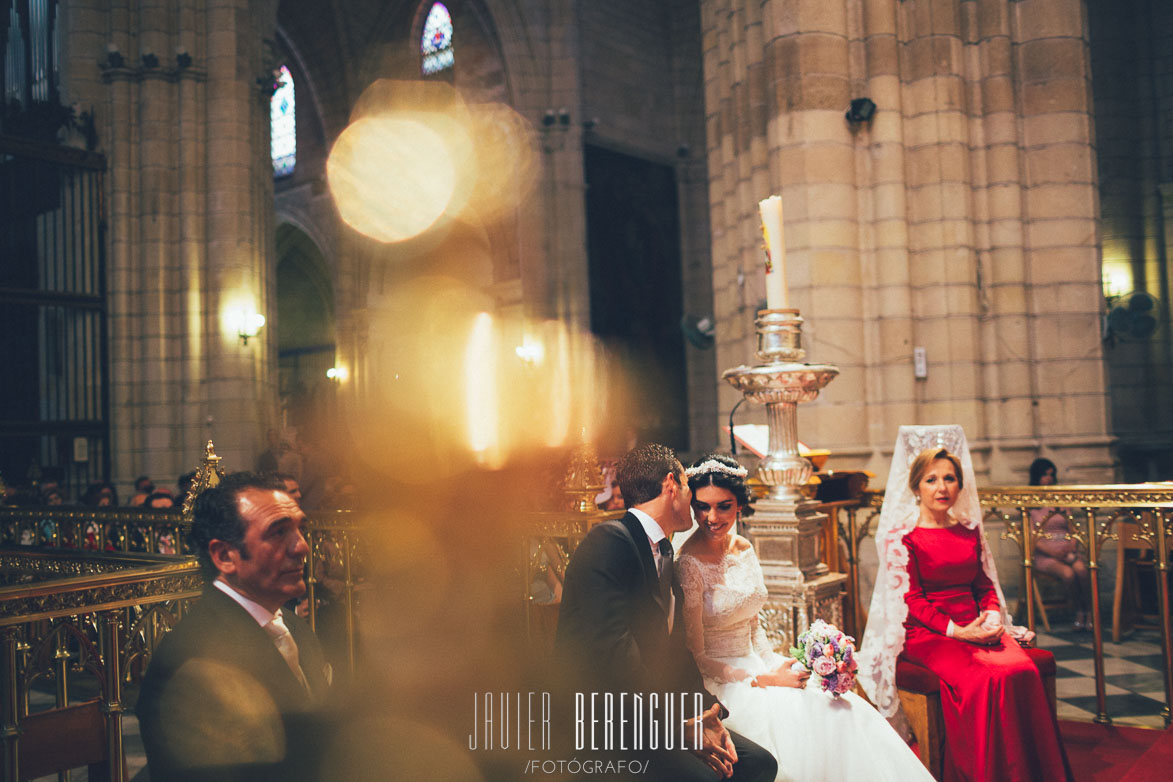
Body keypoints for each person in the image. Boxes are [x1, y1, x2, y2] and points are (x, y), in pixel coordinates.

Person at [678, 454, 933, 782]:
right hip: (723, 682)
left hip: (759, 663)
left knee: (839, 706)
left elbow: (753, 621)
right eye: (702, 507)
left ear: (739, 504)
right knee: (797, 719)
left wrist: (775, 665)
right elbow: (696, 657)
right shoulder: (688, 564)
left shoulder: (742, 547)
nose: (711, 517)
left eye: (723, 506)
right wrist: (763, 680)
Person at [858, 425, 1072, 782]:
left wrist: (990, 616)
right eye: (931, 479)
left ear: (961, 484)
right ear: (915, 487)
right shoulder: (905, 537)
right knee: (982, 680)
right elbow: (911, 599)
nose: (942, 487)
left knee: (1021, 670)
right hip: (929, 633)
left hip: (976, 624)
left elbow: (983, 582)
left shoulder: (969, 530)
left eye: (950, 478)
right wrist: (956, 630)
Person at [555, 443, 777, 782]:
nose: (698, 506)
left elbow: (674, 650)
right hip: (610, 723)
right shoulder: (610, 541)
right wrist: (677, 727)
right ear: (672, 484)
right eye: (690, 487)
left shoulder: (664, 549)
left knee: (759, 762)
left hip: (654, 715)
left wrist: (708, 713)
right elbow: (615, 657)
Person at [137, 472, 331, 782]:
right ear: (226, 556)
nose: (302, 547)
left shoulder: (292, 624)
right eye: (279, 533)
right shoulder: (197, 662)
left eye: (301, 529)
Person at [1029, 457, 1092, 629]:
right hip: (1046, 553)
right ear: (1036, 477)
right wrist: (1052, 552)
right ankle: (1078, 610)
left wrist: (1071, 544)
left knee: (1081, 570)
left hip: (1066, 549)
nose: (1048, 479)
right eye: (1044, 475)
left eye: (1051, 475)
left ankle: (1090, 611)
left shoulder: (1061, 502)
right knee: (1068, 574)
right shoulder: (1031, 505)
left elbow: (1074, 530)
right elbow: (1032, 537)